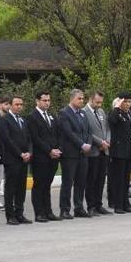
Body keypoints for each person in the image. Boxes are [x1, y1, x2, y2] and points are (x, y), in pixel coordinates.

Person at [26, 92, 62, 223]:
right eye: (44, 100)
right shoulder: (32, 117)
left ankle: (48, 211)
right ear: (37, 101)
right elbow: (35, 138)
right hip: (41, 157)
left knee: (47, 185)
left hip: (53, 157)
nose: (47, 102)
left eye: (48, 100)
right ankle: (39, 213)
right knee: (39, 185)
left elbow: (58, 133)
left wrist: (58, 149)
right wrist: (49, 150)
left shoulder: (52, 116)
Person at [0, 96, 32, 225]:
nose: (19, 107)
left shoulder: (22, 120)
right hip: (12, 159)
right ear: (10, 105)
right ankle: (10, 215)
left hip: (24, 159)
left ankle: (19, 213)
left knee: (21, 188)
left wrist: (29, 152)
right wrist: (20, 153)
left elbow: (28, 138)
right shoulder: (4, 120)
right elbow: (7, 139)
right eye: (16, 104)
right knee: (11, 188)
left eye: (21, 104)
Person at [57, 89, 93, 219]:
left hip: (83, 154)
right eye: (79, 99)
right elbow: (68, 132)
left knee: (81, 182)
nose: (82, 101)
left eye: (83, 99)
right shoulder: (64, 113)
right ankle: (65, 209)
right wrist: (81, 144)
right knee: (68, 182)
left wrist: (88, 144)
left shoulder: (83, 113)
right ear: (72, 98)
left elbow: (88, 131)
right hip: (70, 153)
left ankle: (79, 207)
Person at [83, 91, 113, 215]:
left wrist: (107, 141)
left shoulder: (101, 112)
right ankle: (91, 206)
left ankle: (99, 204)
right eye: (97, 102)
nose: (99, 105)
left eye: (101, 102)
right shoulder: (84, 112)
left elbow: (107, 128)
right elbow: (88, 132)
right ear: (91, 99)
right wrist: (100, 142)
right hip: (93, 151)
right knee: (91, 180)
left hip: (104, 151)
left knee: (101, 179)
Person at [108, 92, 131, 214]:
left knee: (125, 179)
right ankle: (118, 204)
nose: (128, 104)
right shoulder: (116, 113)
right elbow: (112, 121)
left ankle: (125, 203)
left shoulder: (129, 114)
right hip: (118, 152)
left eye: (130, 102)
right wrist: (117, 107)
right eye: (125, 102)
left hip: (128, 151)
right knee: (118, 180)